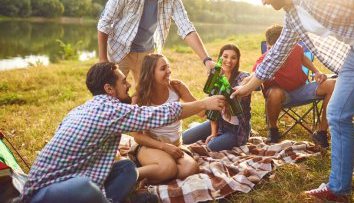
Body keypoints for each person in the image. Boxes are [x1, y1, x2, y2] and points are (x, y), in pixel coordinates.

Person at [231, 0, 354, 202]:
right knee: (337, 114)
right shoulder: (293, 15)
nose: (263, 2)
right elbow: (276, 54)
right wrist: (246, 87)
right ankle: (339, 189)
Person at [19, 62, 225, 203]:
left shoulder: (85, 107)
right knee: (86, 187)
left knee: (126, 168)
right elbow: (159, 114)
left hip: (71, 179)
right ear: (109, 88)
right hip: (42, 194)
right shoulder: (109, 111)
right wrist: (205, 103)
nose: (128, 85)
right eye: (123, 81)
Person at [97, 0, 214, 87]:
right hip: (120, 51)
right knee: (113, 95)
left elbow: (185, 26)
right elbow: (104, 23)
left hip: (147, 54)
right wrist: (103, 59)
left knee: (147, 97)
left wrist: (206, 60)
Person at [252, 25, 335, 147]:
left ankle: (322, 132)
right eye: (270, 49)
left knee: (332, 84)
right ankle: (273, 130)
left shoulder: (293, 47)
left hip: (301, 90)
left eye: (280, 49)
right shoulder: (263, 61)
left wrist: (317, 71)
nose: (275, 52)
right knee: (274, 92)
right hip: (281, 97)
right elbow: (253, 77)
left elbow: (302, 57)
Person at [130, 54, 200, 185]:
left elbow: (201, 110)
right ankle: (129, 174)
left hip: (176, 146)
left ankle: (155, 174)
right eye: (163, 68)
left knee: (191, 168)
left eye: (168, 67)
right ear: (151, 74)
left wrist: (219, 98)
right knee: (169, 167)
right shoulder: (139, 98)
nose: (169, 71)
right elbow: (137, 136)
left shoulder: (177, 88)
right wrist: (163, 147)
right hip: (151, 146)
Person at [182, 44, 252, 151]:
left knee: (211, 146)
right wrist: (213, 133)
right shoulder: (216, 77)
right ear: (220, 58)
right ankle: (200, 129)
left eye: (233, 57)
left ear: (238, 60)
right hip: (219, 123)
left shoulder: (242, 77)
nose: (228, 60)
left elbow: (250, 79)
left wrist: (246, 82)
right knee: (184, 138)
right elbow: (211, 108)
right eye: (225, 56)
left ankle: (204, 131)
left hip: (236, 130)